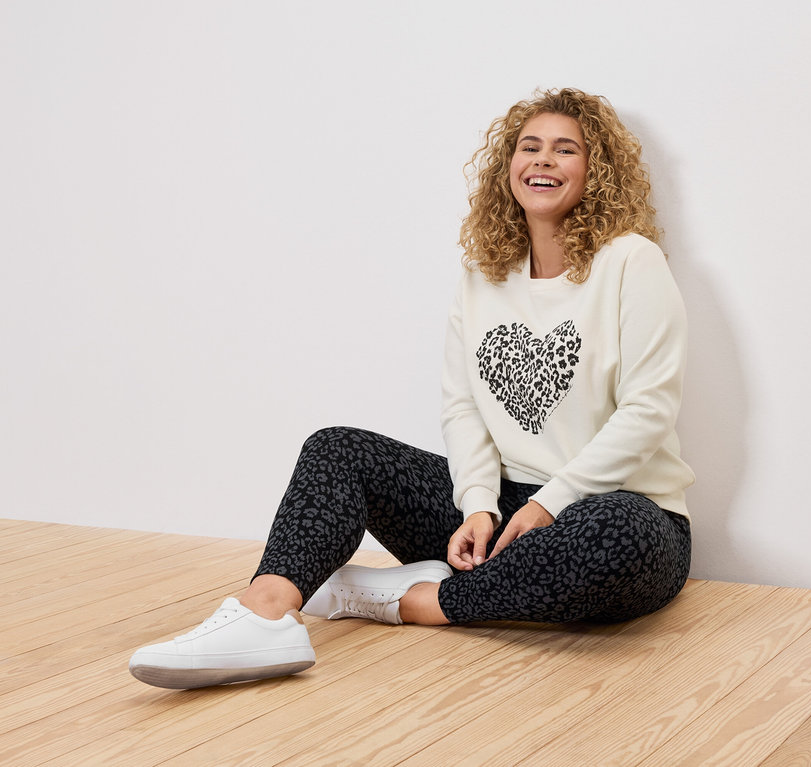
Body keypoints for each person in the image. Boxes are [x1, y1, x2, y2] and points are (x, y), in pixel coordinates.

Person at [129, 87, 695, 690]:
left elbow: (648, 410)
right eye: (530, 147)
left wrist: (549, 503)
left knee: (619, 537)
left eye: (566, 149)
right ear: (509, 165)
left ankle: (414, 600)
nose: (544, 161)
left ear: (598, 170)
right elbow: (463, 405)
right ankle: (264, 611)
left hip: (615, 512)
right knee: (337, 449)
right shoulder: (484, 272)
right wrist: (478, 503)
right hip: (502, 515)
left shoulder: (631, 262)